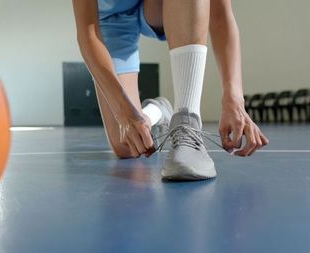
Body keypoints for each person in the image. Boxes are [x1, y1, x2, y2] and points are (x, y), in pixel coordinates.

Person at [71, 0, 269, 180]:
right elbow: (88, 34)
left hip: (157, 6)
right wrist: (123, 114)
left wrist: (234, 99)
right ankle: (157, 111)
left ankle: (187, 117)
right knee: (127, 147)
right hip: (110, 19)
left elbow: (220, 13)